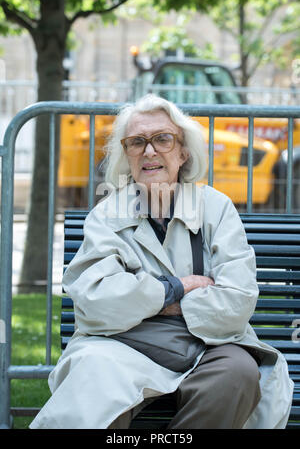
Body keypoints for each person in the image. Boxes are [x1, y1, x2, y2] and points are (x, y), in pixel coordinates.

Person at [30, 94, 293, 430]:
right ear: (127, 154)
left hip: (206, 343)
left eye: (162, 139)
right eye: (137, 142)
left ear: (183, 152)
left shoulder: (217, 208)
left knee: (237, 372)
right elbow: (97, 303)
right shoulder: (106, 215)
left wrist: (141, 300)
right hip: (121, 343)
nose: (149, 151)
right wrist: (177, 289)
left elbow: (238, 299)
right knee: (94, 375)